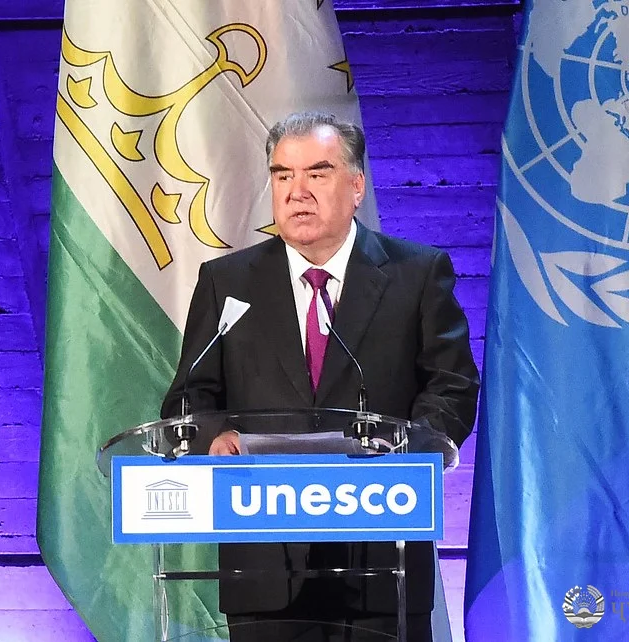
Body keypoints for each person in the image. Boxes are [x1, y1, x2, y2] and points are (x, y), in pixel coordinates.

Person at [161, 111, 479, 641]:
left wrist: (408, 450)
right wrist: (214, 436)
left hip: (382, 560)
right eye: (283, 174)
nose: (297, 192)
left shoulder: (417, 273)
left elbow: (452, 387)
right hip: (265, 570)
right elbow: (189, 396)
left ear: (356, 186)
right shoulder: (228, 282)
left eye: (317, 173)